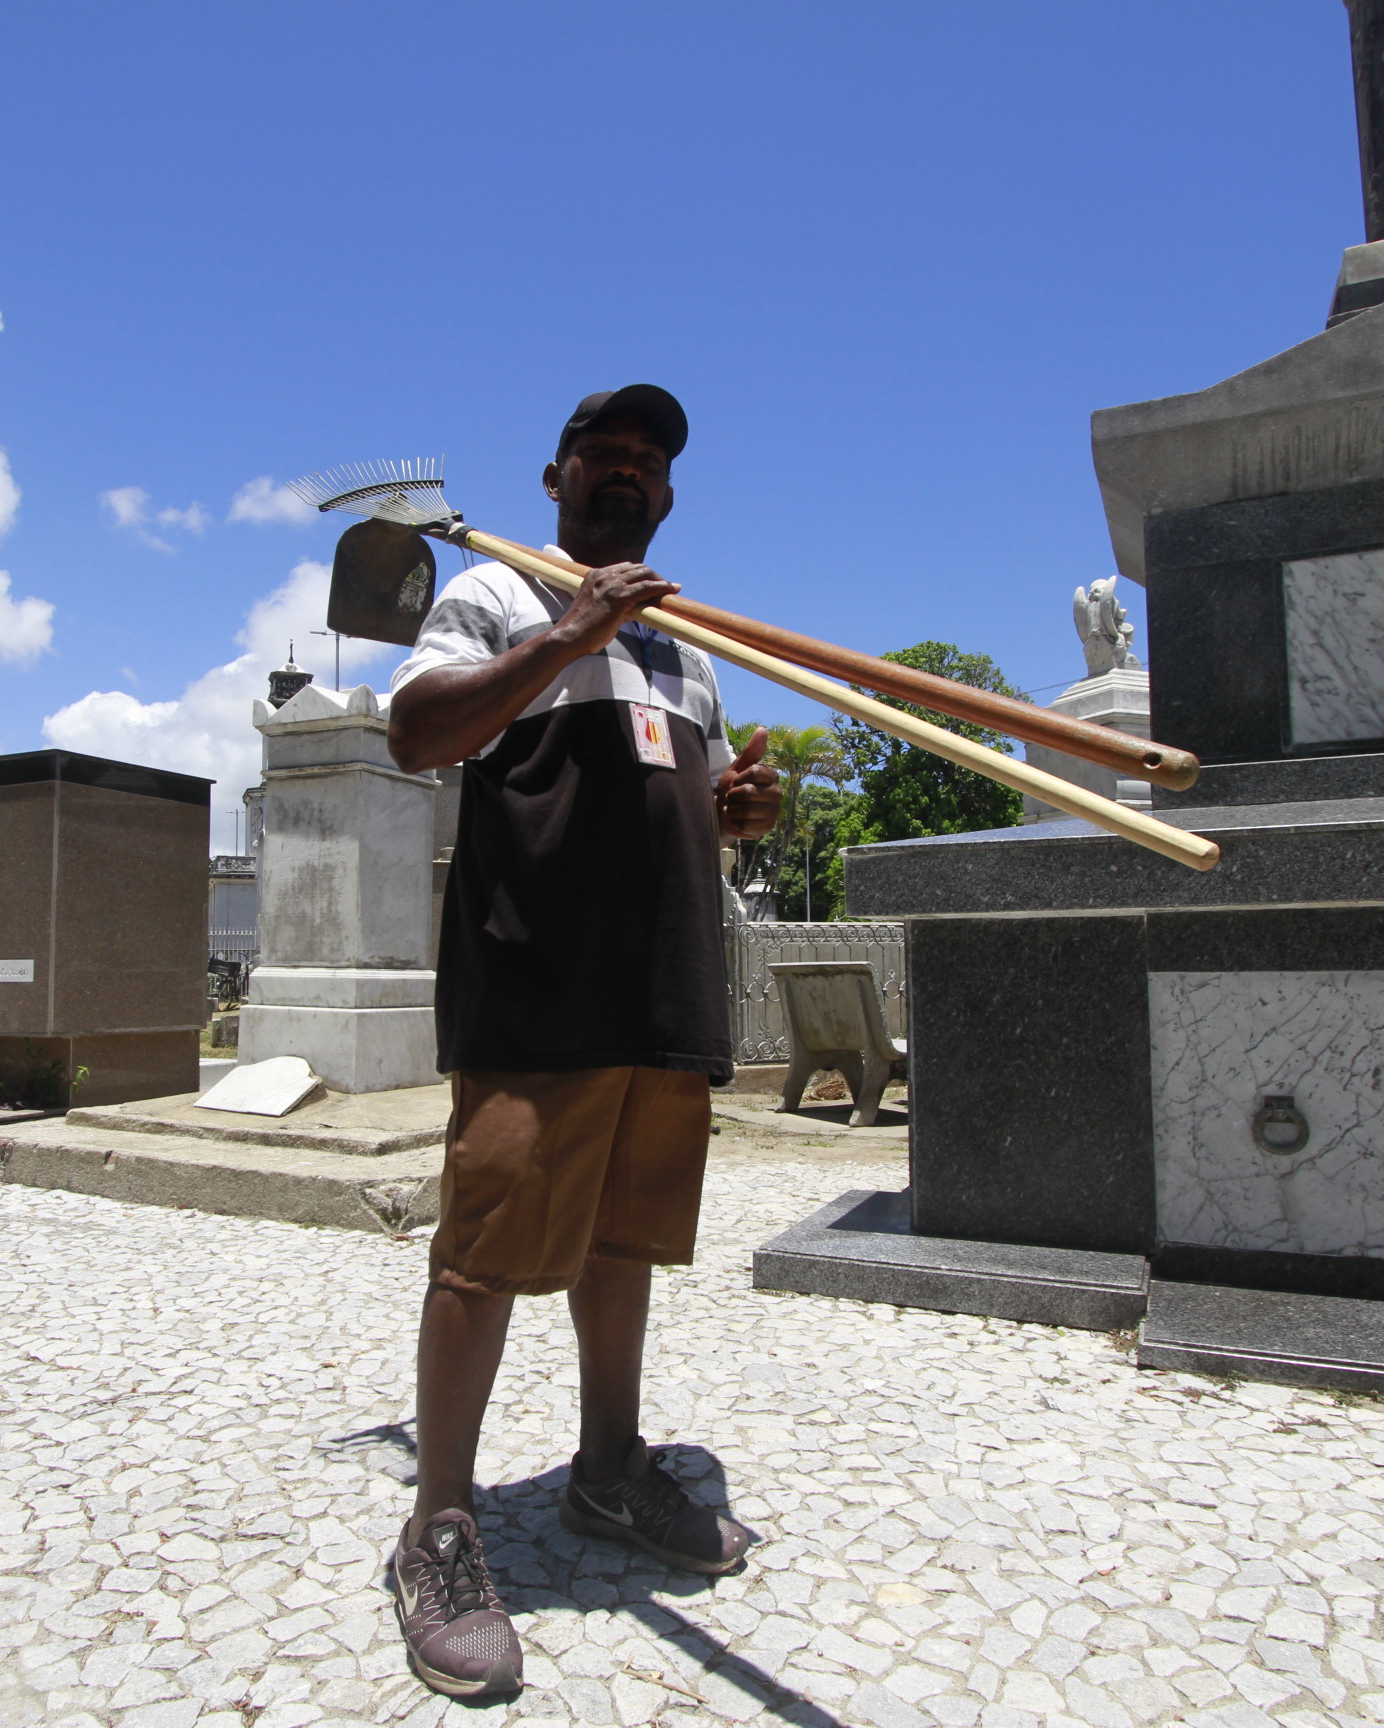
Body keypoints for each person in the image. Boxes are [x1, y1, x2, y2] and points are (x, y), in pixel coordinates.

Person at [381, 384, 783, 1699]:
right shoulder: (495, 595)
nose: (625, 473)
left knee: (626, 1240)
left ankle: (608, 1469)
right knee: (487, 1251)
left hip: (662, 994)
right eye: (602, 455)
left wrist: (732, 811)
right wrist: (567, 630)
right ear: (554, 478)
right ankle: (441, 1522)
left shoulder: (690, 652)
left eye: (647, 462)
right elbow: (421, 733)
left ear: (667, 496)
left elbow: (665, 804)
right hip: (536, 983)